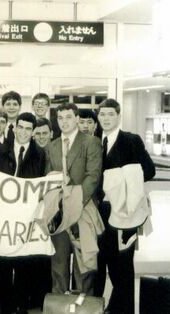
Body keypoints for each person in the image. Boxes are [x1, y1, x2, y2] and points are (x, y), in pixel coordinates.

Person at [94, 99, 155, 314]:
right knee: (100, 265)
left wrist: (120, 178)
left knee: (123, 267)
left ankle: (124, 310)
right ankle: (100, 308)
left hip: (125, 213)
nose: (106, 118)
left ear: (119, 116)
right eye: (102, 115)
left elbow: (149, 171)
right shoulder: (94, 141)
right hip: (99, 213)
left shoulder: (131, 140)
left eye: (110, 114)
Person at [45, 103, 103, 295]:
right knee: (58, 264)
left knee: (83, 265)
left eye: (68, 117)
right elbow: (48, 180)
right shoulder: (51, 146)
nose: (64, 122)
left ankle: (82, 306)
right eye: (60, 118)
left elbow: (93, 177)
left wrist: (74, 203)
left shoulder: (91, 142)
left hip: (82, 211)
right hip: (58, 214)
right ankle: (59, 305)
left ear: (77, 119)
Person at [0, 113, 48, 314]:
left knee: (25, 262)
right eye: (20, 127)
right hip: (4, 215)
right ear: (14, 128)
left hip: (26, 215)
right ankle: (6, 305)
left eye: (28, 129)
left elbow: (41, 184)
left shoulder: (40, 154)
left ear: (33, 132)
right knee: (5, 261)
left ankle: (22, 305)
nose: (23, 132)